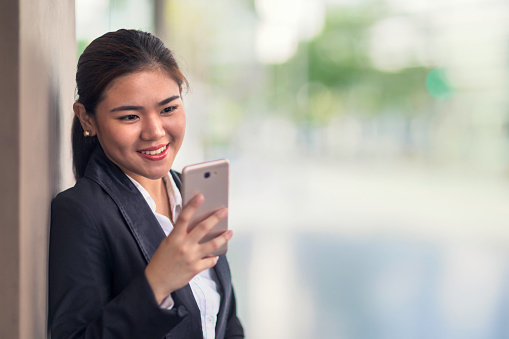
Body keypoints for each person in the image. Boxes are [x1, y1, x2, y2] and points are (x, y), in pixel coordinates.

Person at [48, 29, 244, 339]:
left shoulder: (192, 193)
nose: (154, 131)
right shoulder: (81, 212)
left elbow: (226, 321)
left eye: (168, 108)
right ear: (87, 119)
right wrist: (157, 285)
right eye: (129, 117)